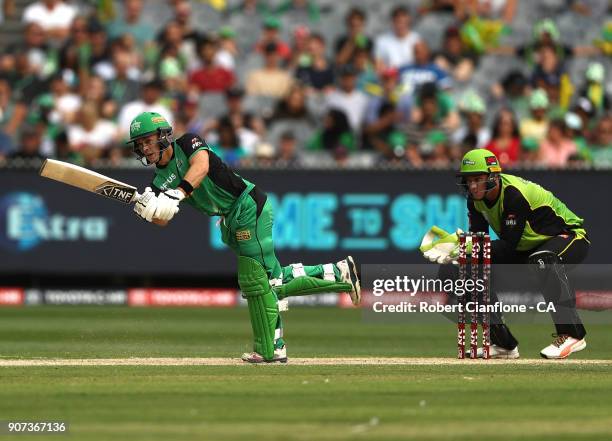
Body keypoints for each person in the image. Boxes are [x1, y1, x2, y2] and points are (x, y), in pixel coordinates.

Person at [126, 111, 361, 363]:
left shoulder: (188, 143)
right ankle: (337, 275)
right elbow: (164, 217)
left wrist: (179, 193)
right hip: (230, 219)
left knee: (256, 280)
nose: (144, 148)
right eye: (139, 144)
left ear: (163, 136)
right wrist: (146, 210)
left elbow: (201, 166)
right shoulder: (158, 180)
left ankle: (269, 350)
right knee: (271, 280)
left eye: (148, 140)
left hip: (247, 206)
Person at [424, 149, 589, 359]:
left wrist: (465, 247)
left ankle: (573, 334)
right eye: (469, 180)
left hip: (569, 237)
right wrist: (460, 255)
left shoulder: (513, 194)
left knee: (543, 259)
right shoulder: (475, 200)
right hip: (526, 247)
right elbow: (480, 242)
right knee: (466, 267)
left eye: (478, 179)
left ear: (493, 176)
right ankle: (502, 343)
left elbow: (509, 244)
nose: (473, 186)